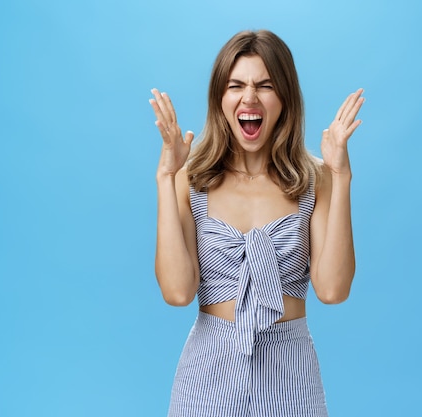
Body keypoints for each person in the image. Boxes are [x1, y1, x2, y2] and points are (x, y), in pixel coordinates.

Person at [149, 29, 364, 417]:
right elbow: (178, 293)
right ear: (220, 98)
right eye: (236, 85)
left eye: (265, 85)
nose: (249, 97)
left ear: (284, 97)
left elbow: (333, 289)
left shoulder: (317, 179)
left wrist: (342, 175)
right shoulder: (190, 178)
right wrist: (166, 179)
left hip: (290, 367)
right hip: (208, 368)